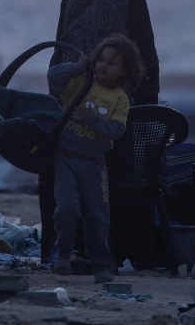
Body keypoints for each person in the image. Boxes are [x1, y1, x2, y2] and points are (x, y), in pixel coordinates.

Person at [46, 34, 145, 281]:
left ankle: (101, 265)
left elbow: (117, 131)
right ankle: (63, 255)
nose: (103, 65)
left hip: (94, 164)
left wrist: (91, 119)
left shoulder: (121, 99)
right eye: (101, 59)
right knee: (67, 209)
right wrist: (78, 66)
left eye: (112, 63)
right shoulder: (81, 81)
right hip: (65, 158)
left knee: (98, 216)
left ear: (124, 71)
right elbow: (53, 77)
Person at [50, 0, 159, 105]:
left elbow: (59, 49)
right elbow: (145, 55)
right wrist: (149, 105)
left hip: (68, 94)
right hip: (110, 98)